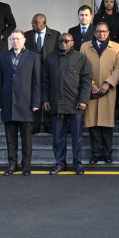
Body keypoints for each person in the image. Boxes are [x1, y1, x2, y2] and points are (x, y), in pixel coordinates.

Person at [42, 33, 91, 175]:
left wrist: (83, 100)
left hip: (75, 104)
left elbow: (86, 81)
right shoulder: (50, 58)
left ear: (72, 42)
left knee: (77, 137)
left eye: (66, 41)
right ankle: (59, 163)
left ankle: (78, 164)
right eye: (61, 41)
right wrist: (45, 99)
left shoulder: (81, 58)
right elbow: (45, 82)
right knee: (57, 137)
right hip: (56, 104)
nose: (63, 43)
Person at [0, 30, 40, 176]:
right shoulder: (3, 57)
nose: (15, 41)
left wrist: (36, 102)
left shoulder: (33, 57)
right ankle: (12, 165)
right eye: (13, 39)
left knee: (26, 138)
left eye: (18, 39)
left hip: (26, 104)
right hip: (8, 103)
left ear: (24, 40)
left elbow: (36, 82)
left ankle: (26, 165)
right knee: (10, 138)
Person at [82, 22, 119, 164]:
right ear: (94, 33)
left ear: (108, 32)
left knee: (107, 124)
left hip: (108, 91)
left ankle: (107, 154)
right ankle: (95, 154)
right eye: (99, 31)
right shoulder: (85, 47)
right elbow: (82, 67)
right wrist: (92, 84)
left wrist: (108, 83)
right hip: (91, 91)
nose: (101, 33)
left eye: (104, 31)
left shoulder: (116, 47)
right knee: (93, 124)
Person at [25, 14, 60, 134]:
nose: (33, 25)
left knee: (48, 97)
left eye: (36, 23)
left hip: (49, 70)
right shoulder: (27, 35)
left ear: (44, 23)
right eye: (33, 23)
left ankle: (49, 125)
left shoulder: (55, 35)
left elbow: (58, 52)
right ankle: (35, 125)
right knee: (34, 96)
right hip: (31, 70)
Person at [93, 0, 119, 115]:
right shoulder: (97, 17)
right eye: (106, 1)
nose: (108, 3)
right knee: (101, 80)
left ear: (114, 3)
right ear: (103, 3)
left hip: (114, 50)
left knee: (114, 82)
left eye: (111, 1)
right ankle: (102, 111)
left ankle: (115, 110)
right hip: (100, 50)